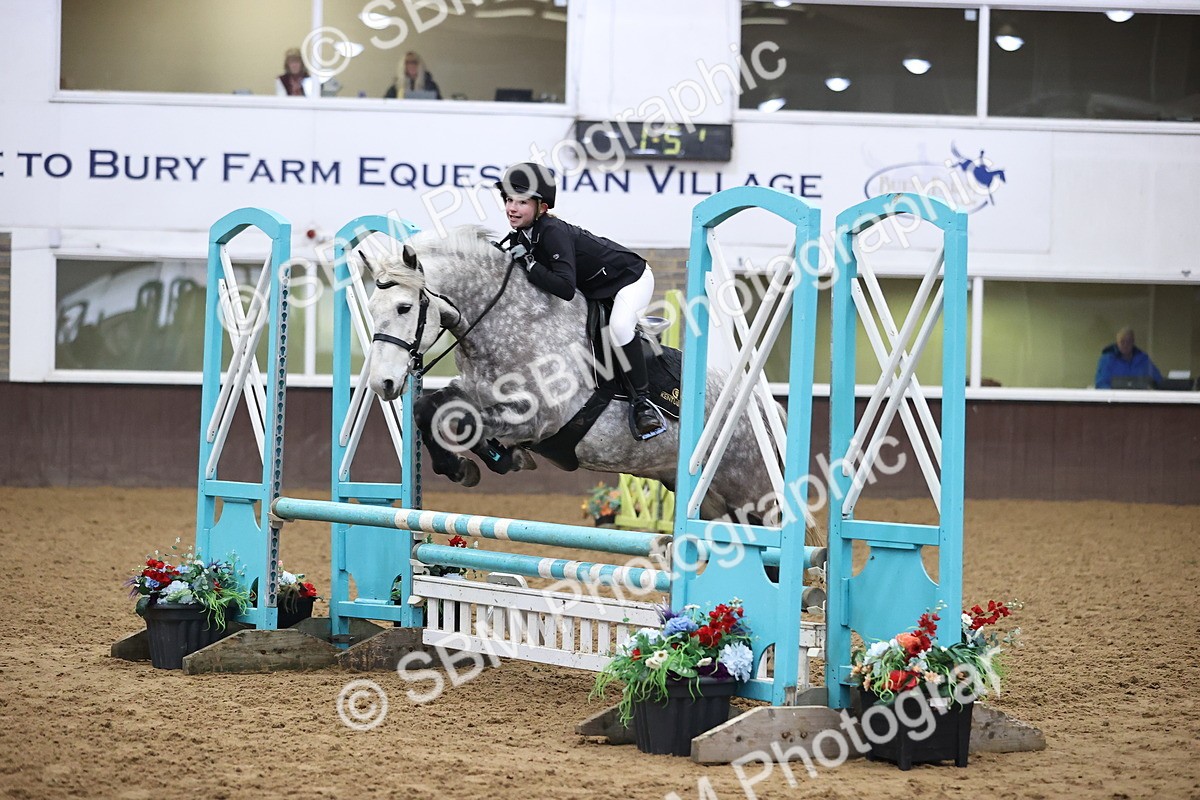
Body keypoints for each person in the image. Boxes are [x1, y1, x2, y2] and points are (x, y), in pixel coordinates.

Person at [494, 162, 666, 440]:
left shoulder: (552, 231)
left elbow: (564, 288)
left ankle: (642, 404)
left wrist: (529, 263)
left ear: (542, 207)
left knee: (621, 328)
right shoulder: (522, 235)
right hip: (596, 288)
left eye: (522, 202)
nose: (512, 208)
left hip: (629, 279)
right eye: (509, 200)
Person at [1095, 326, 1163, 388]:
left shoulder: (1143, 360)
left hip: (1139, 399)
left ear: (1133, 342)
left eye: (1128, 341)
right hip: (1114, 399)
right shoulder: (1107, 360)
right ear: (1117, 342)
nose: (1125, 345)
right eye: (1122, 342)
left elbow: (1158, 381)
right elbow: (1101, 383)